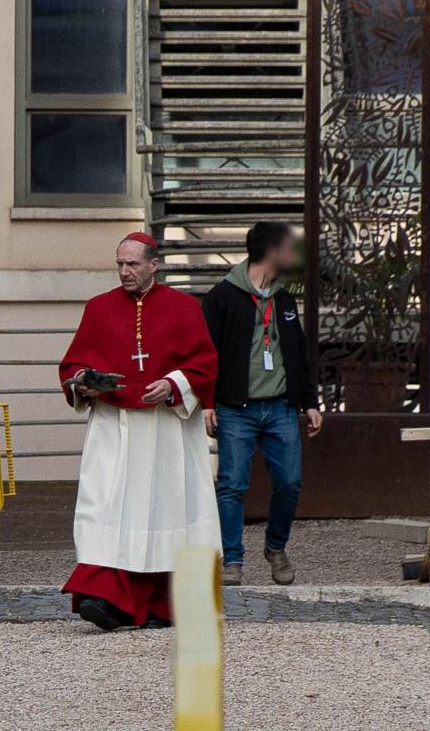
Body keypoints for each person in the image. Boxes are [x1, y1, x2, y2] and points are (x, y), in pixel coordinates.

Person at [60, 232, 221, 631]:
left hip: (166, 431)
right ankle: (104, 596)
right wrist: (85, 382)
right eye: (119, 264)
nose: (124, 271)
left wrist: (174, 384)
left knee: (166, 511)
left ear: (154, 265)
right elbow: (73, 365)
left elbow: (205, 365)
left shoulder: (184, 308)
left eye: (132, 264)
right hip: (115, 428)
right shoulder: (99, 308)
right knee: (105, 505)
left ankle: (162, 604)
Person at [201, 221, 322, 587]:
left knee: (290, 482)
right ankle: (232, 560)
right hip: (235, 409)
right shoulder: (222, 297)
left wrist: (310, 401)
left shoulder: (284, 299)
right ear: (271, 252)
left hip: (281, 408)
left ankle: (275, 546)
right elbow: (205, 356)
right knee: (232, 486)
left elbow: (298, 353)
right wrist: (207, 403)